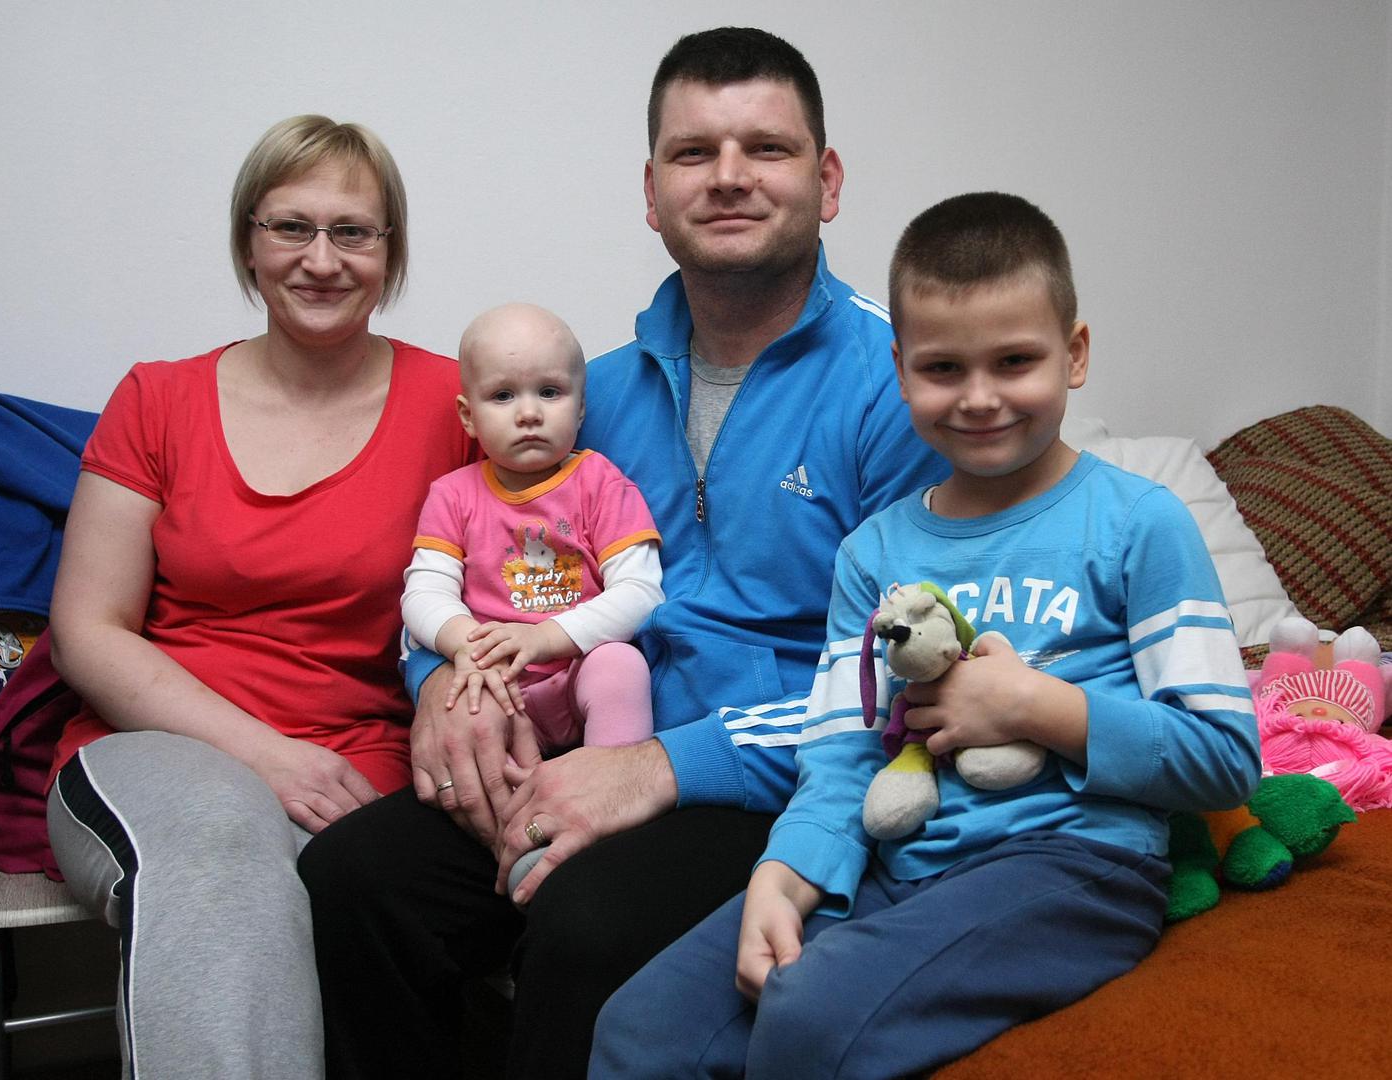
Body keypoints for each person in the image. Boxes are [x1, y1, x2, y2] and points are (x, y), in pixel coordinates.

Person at [298, 26, 948, 1080]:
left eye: (767, 149)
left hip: (771, 781)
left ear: (827, 182)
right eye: (693, 153)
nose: (728, 176)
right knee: (353, 879)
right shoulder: (583, 393)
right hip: (578, 741)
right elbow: (467, 568)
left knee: (588, 924)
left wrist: (661, 766)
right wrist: (441, 686)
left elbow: (906, 682)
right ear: (652, 193)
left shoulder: (901, 385)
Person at [589, 191, 1264, 1078]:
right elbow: (842, 754)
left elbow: (1225, 756)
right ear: (900, 371)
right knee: (641, 1025)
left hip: (1072, 863)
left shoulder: (1142, 523)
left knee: (814, 1017)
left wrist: (1036, 706)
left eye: (1015, 361)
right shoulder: (874, 552)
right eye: (943, 369)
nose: (980, 398)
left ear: (1075, 354)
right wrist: (786, 874)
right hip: (898, 862)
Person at [43, 115, 475, 1080]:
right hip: (162, 748)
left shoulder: (459, 405)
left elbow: (518, 597)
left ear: (391, 251)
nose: (321, 260)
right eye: (290, 227)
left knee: (374, 895)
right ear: (249, 241)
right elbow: (87, 632)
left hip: (366, 765)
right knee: (225, 846)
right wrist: (268, 759)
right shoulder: (157, 398)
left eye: (352, 231)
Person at [401, 302, 663, 887]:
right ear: (468, 416)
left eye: (549, 392)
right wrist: (468, 646)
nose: (528, 414)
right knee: (464, 701)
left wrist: (545, 638)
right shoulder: (453, 495)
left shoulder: (600, 482)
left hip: (575, 674)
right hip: (498, 682)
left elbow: (642, 592)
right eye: (503, 396)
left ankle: (611, 815)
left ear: (581, 406)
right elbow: (423, 592)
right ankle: (507, 828)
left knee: (621, 665)